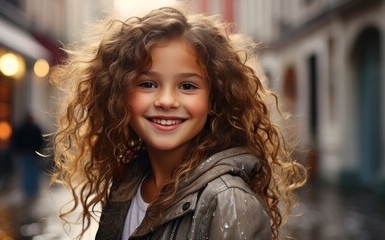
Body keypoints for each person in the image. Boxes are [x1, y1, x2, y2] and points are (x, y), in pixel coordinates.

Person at [50, 7, 307, 240]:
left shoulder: (229, 203)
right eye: (148, 84)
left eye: (187, 86)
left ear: (214, 99)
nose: (166, 100)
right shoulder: (127, 183)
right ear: (119, 95)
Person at [13, 113, 44, 198]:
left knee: (27, 172)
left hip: (25, 154)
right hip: (33, 154)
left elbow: (16, 141)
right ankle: (32, 189)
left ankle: (28, 190)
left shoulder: (21, 128)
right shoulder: (35, 128)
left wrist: (19, 151)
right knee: (33, 172)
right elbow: (41, 141)